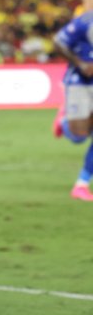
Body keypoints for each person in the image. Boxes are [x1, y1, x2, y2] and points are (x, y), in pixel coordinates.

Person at [52, 11, 93, 200]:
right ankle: (64, 121)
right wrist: (81, 64)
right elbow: (58, 42)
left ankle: (81, 185)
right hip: (81, 82)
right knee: (78, 137)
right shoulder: (85, 21)